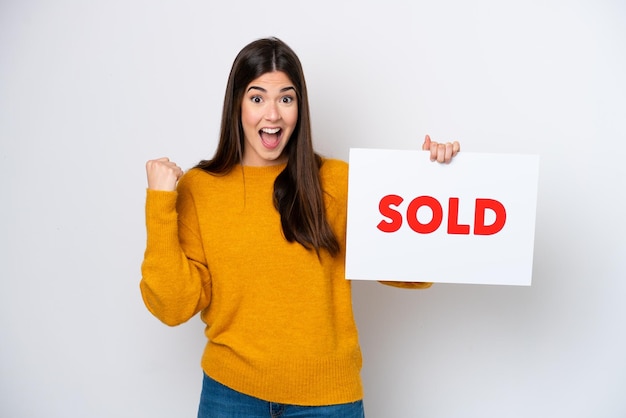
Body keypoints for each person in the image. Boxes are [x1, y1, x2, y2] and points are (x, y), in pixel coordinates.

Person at [140, 37, 460, 418]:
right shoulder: (200, 188)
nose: (272, 114)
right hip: (230, 396)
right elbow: (174, 306)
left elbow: (411, 275)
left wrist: (434, 185)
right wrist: (160, 203)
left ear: (299, 107)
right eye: (257, 98)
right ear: (237, 105)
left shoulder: (337, 182)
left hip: (328, 402)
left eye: (286, 99)